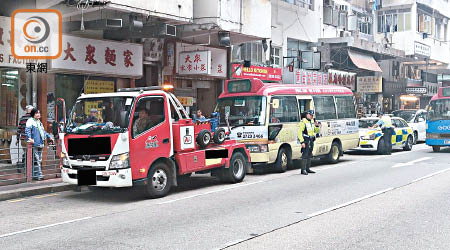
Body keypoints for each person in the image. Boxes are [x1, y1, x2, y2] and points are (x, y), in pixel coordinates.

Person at [25, 108, 54, 181]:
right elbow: (27, 131)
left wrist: (49, 136)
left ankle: (35, 175)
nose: (38, 114)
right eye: (36, 113)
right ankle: (39, 175)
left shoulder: (39, 122)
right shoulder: (30, 121)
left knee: (38, 160)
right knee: (37, 160)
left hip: (40, 143)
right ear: (33, 114)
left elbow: (43, 132)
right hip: (35, 143)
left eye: (39, 113)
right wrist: (30, 138)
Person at [297, 110, 320, 175]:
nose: (311, 116)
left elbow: (316, 131)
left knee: (309, 155)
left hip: (311, 140)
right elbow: (299, 133)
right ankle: (303, 170)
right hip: (306, 140)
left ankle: (308, 169)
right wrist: (302, 142)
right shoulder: (303, 122)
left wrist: (317, 126)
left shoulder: (312, 121)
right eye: (310, 115)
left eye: (312, 115)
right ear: (307, 114)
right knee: (305, 155)